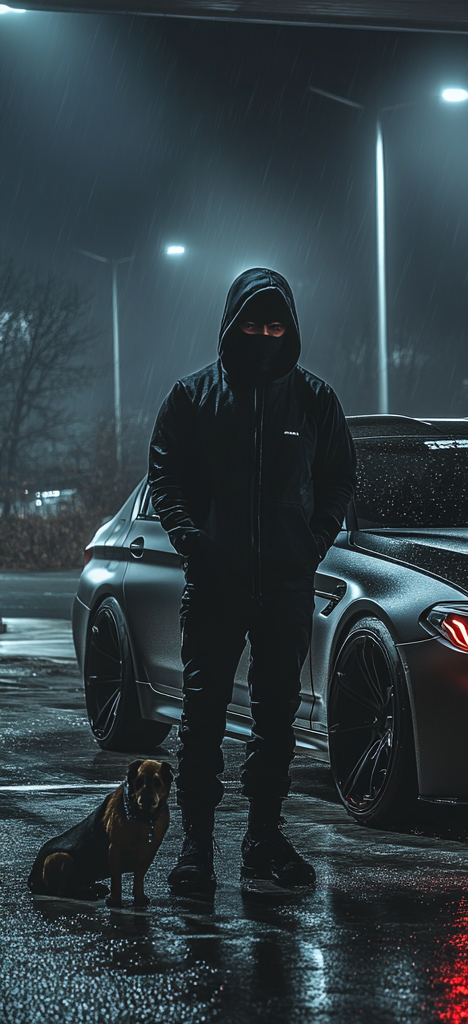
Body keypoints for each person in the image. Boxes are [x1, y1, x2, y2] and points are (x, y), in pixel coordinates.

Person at [148, 267, 357, 896]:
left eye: (275, 324)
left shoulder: (315, 401)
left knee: (276, 720)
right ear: (230, 324)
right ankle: (196, 849)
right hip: (215, 586)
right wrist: (195, 545)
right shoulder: (192, 398)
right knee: (204, 716)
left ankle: (263, 840)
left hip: (286, 588)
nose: (264, 334)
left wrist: (310, 546)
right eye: (253, 323)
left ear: (289, 329)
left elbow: (339, 481)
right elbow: (166, 480)